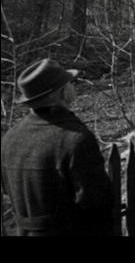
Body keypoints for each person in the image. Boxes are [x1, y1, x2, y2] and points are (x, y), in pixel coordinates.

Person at [1, 59, 113, 236]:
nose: (73, 86)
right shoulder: (75, 139)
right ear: (62, 92)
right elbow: (96, 202)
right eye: (70, 83)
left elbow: (8, 189)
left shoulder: (10, 138)